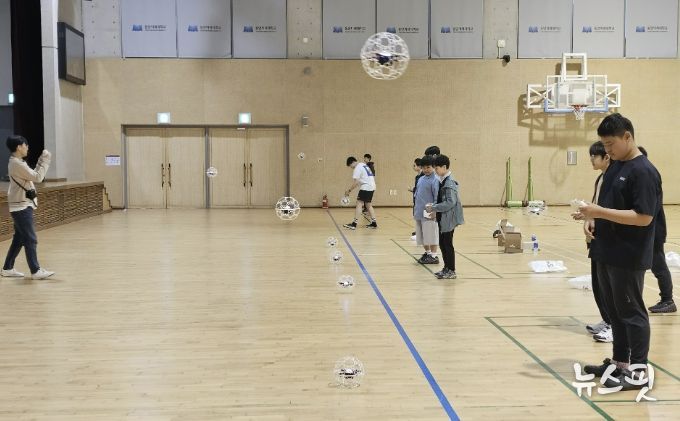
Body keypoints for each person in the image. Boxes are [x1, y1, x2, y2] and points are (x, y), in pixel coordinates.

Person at [574, 114, 660, 390]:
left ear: (627, 137)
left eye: (611, 144)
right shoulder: (615, 167)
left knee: (631, 312)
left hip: (628, 254)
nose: (607, 150)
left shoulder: (643, 171)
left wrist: (599, 212)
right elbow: (607, 206)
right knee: (614, 311)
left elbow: (644, 217)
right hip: (606, 249)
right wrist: (591, 218)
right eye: (604, 145)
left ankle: (639, 371)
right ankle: (620, 363)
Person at [1, 135, 54, 280]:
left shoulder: (17, 162)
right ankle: (35, 270)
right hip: (21, 207)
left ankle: (7, 268)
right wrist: (46, 160)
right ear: (19, 147)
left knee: (19, 239)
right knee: (30, 239)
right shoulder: (17, 164)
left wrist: (41, 160)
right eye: (26, 145)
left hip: (21, 205)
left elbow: (33, 175)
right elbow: (38, 178)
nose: (27, 147)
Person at [637, 146, 676, 313]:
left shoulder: (648, 175)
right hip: (651, 229)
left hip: (655, 230)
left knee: (658, 265)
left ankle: (668, 300)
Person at [583, 141, 613, 343]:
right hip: (597, 236)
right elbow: (596, 206)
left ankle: (614, 325)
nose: (591, 160)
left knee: (608, 285)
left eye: (594, 156)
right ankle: (607, 319)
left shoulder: (613, 179)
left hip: (609, 239)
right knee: (598, 283)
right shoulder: (600, 178)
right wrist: (587, 218)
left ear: (606, 157)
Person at [427, 154, 464, 279]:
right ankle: (446, 268)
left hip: (448, 218)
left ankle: (451, 270)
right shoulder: (442, 180)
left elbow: (450, 202)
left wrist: (435, 207)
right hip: (442, 217)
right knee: (442, 243)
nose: (435, 171)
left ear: (444, 167)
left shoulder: (449, 182)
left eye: (436, 168)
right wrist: (435, 209)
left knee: (447, 244)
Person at [413, 155, 439, 264]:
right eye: (424, 167)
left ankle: (434, 255)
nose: (426, 170)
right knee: (422, 235)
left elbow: (437, 197)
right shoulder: (421, 179)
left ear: (433, 167)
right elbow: (417, 194)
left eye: (428, 167)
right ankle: (428, 253)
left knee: (431, 235)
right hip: (419, 211)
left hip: (429, 212)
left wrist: (435, 211)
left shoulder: (435, 180)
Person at [343, 156, 377, 229]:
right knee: (368, 205)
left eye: (350, 166)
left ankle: (354, 224)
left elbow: (356, 182)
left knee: (359, 203)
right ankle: (374, 223)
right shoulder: (363, 165)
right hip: (372, 186)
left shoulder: (357, 168)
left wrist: (349, 190)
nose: (351, 168)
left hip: (366, 187)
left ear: (352, 163)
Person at [408, 157, 424, 239]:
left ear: (419, 166)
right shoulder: (417, 176)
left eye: (414, 165)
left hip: (421, 199)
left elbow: (420, 188)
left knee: (420, 216)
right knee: (416, 215)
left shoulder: (422, 176)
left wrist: (413, 189)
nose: (413, 167)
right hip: (416, 198)